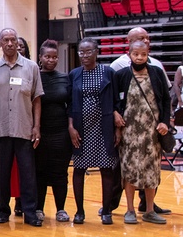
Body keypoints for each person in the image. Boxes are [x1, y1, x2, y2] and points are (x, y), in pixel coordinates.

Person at [108, 27, 171, 215]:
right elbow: (113, 99)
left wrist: (166, 122)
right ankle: (123, 209)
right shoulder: (119, 70)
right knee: (127, 171)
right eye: (136, 53)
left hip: (152, 131)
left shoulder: (157, 70)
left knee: (151, 171)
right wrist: (115, 118)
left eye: (143, 53)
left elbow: (166, 99)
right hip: (129, 131)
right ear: (129, 50)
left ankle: (149, 209)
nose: (139, 57)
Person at [0, 28, 44, 227]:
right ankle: (3, 210)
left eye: (13, 39)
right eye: (6, 40)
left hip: (25, 128)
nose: (10, 43)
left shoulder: (31, 67)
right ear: (0, 43)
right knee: (2, 173)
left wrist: (36, 126)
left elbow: (37, 99)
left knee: (27, 174)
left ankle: (30, 212)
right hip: (1, 129)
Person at [70, 38, 120, 225]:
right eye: (81, 52)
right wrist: (71, 127)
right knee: (79, 169)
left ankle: (106, 211)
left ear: (96, 52)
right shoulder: (74, 74)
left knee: (107, 169)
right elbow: (70, 104)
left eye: (88, 51)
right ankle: (79, 211)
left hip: (103, 126)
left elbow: (117, 101)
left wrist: (118, 128)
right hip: (81, 127)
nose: (84, 55)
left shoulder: (108, 72)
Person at [34, 39, 73, 222]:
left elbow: (71, 105)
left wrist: (71, 127)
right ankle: (39, 209)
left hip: (61, 132)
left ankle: (61, 210)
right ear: (40, 58)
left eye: (55, 57)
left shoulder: (65, 78)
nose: (51, 60)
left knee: (60, 172)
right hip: (40, 132)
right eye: (47, 56)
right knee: (39, 172)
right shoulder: (35, 77)